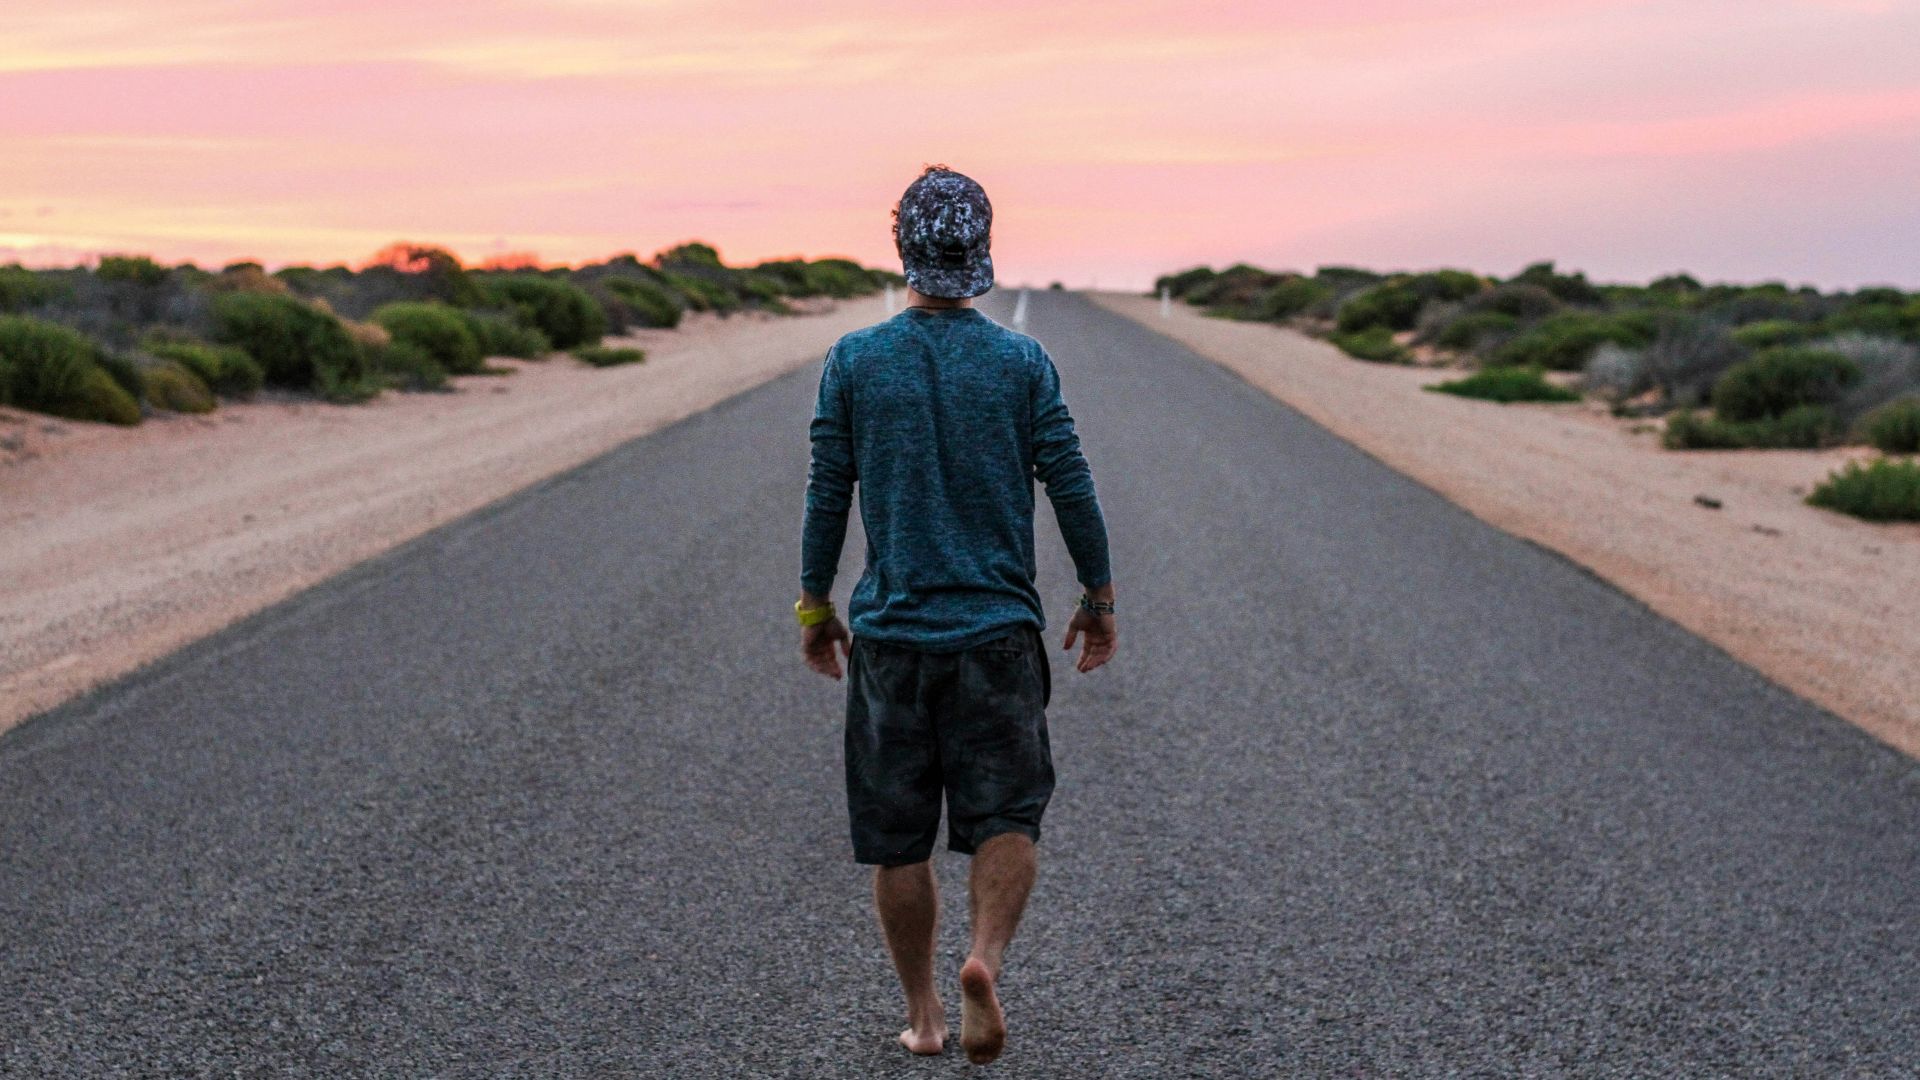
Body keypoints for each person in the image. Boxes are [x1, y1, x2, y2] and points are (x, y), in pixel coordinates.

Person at [796, 165, 1117, 1065]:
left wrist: (815, 602)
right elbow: (1071, 482)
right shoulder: (1021, 361)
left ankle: (928, 1015)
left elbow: (829, 489)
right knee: (1007, 816)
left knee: (898, 838)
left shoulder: (856, 359)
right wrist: (1097, 596)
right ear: (981, 248)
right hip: (997, 637)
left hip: (893, 639)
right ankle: (986, 959)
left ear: (902, 244)